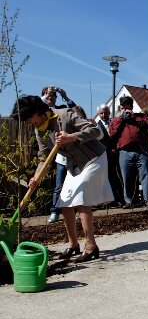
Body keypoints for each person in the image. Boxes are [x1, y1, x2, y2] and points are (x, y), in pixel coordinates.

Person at [12, 95, 113, 262]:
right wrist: (36, 177)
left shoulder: (65, 115)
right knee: (64, 202)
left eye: (29, 118)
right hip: (75, 164)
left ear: (38, 111)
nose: (29, 122)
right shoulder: (40, 130)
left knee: (81, 200)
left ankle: (91, 246)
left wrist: (72, 137)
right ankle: (73, 244)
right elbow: (44, 157)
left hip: (94, 158)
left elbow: (96, 131)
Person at [109, 96, 148, 209]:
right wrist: (121, 119)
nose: (125, 111)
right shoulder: (116, 120)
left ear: (132, 108)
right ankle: (129, 201)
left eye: (127, 109)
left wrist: (134, 117)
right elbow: (112, 132)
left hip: (142, 151)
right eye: (123, 109)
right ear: (120, 108)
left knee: (146, 176)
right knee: (127, 177)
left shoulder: (140, 116)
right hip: (124, 152)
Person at [40, 86, 77, 224]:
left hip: (68, 154)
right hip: (53, 154)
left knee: (72, 183)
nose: (51, 97)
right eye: (49, 95)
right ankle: (54, 211)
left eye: (54, 96)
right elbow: (39, 105)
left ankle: (73, 210)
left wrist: (65, 97)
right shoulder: (40, 111)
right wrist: (46, 95)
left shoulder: (61, 109)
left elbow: (75, 111)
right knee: (58, 185)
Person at [94, 104, 124, 207]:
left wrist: (115, 149)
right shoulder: (96, 126)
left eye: (105, 112)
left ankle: (118, 199)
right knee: (103, 179)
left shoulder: (114, 123)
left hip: (115, 155)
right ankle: (104, 201)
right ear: (98, 114)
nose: (104, 115)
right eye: (101, 113)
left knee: (116, 178)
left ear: (109, 112)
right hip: (102, 155)